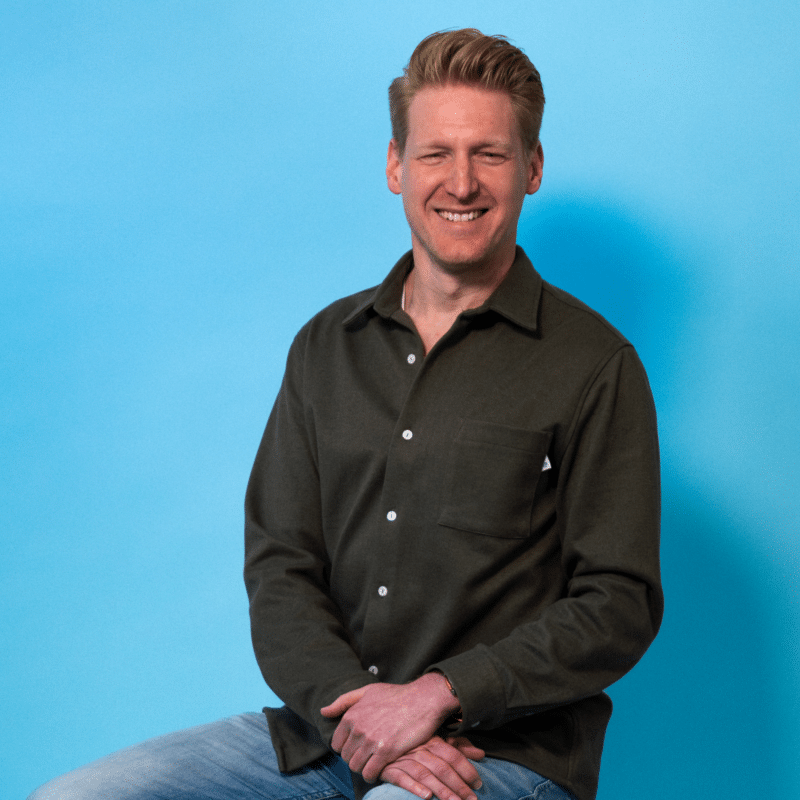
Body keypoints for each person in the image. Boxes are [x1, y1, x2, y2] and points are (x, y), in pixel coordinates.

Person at [28, 28, 662, 800]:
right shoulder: (326, 347)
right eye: (436, 153)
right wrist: (358, 719)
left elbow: (619, 603)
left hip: (496, 752)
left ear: (531, 168)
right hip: (325, 734)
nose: (461, 182)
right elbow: (281, 564)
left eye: (490, 154)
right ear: (397, 166)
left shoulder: (594, 364)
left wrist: (438, 696)